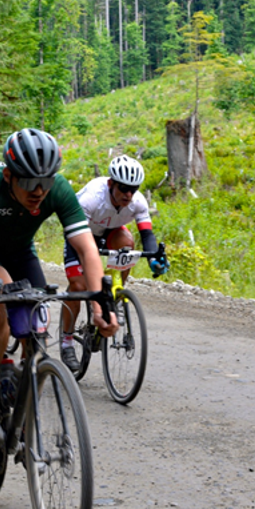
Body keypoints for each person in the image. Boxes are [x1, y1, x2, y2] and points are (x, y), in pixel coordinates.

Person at [0, 128, 118, 443]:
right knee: (1, 308)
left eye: (46, 181)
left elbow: (87, 250)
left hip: (21, 254)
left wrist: (99, 304)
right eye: (28, 182)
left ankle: (26, 409)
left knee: (38, 325)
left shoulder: (58, 190)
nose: (39, 191)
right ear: (8, 176)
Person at [59, 154, 168, 371]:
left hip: (109, 232)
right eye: (124, 189)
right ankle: (66, 340)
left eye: (133, 189)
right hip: (80, 233)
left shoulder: (137, 202)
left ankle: (115, 294)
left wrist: (154, 257)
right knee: (79, 286)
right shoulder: (91, 199)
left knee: (127, 241)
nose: (128, 194)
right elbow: (81, 241)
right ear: (111, 184)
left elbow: (147, 235)